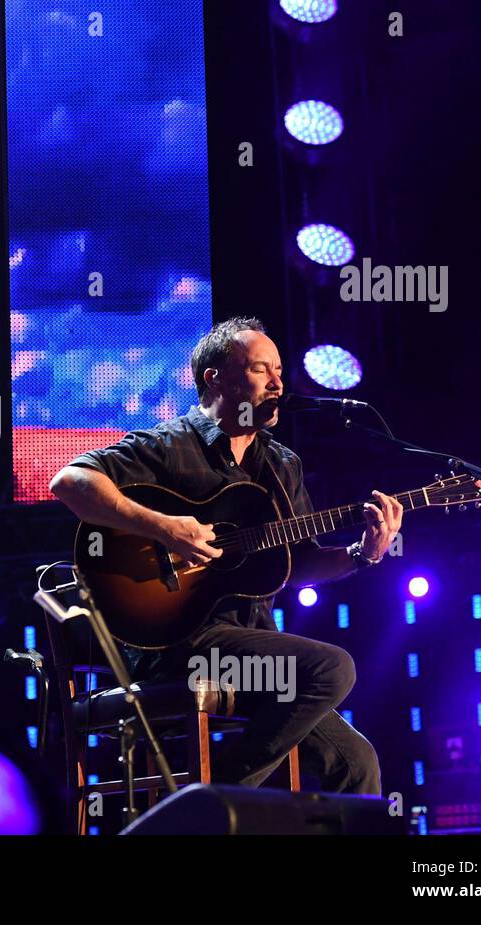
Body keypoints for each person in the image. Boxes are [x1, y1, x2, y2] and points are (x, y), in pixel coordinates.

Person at [49, 316, 400, 794]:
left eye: (279, 370)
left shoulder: (281, 464)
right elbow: (69, 482)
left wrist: (362, 554)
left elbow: (299, 566)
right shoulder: (167, 447)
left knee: (358, 765)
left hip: (252, 650)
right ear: (216, 377)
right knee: (332, 667)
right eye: (261, 369)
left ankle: (210, 805)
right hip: (177, 646)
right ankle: (213, 806)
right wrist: (165, 527)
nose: (278, 382)